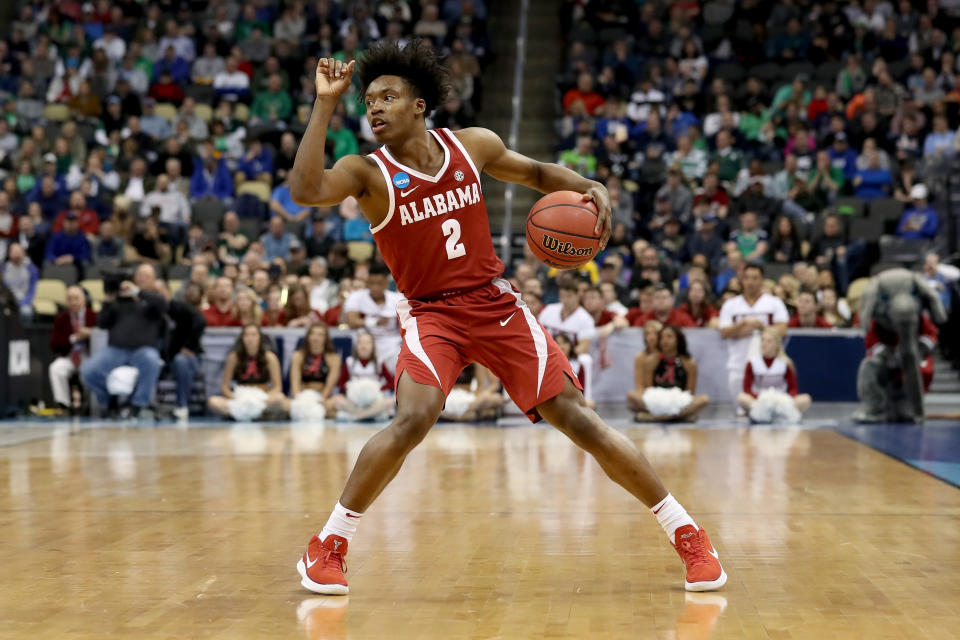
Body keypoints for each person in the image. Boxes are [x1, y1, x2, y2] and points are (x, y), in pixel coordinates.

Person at [287, 42, 725, 596]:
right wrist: (324, 104)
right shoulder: (365, 171)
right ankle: (328, 545)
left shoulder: (473, 145)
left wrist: (588, 186)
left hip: (494, 303)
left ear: (419, 106)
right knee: (413, 418)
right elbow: (305, 190)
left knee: (580, 419)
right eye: (368, 100)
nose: (374, 107)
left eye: (388, 96)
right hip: (431, 313)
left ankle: (687, 533)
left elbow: (540, 173)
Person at [80, 264, 168, 419]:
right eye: (139, 274)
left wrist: (138, 292)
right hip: (116, 349)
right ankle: (108, 400)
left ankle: (137, 405)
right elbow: (102, 323)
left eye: (146, 276)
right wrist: (109, 300)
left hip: (143, 349)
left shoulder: (154, 299)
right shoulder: (120, 299)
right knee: (88, 371)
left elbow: (162, 306)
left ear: (154, 280)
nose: (141, 278)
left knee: (152, 360)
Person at [718, 263, 789, 410]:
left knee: (766, 407)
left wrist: (760, 327)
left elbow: (782, 329)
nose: (750, 282)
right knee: (740, 409)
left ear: (762, 280)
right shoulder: (731, 305)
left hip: (766, 365)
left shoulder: (774, 302)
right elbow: (724, 332)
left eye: (755, 278)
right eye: (747, 278)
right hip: (738, 363)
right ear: (741, 280)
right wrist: (741, 325)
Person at [630, 325, 710, 423]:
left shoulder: (689, 363)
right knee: (632, 396)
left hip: (678, 399)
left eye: (669, 337)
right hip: (656, 399)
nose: (665, 340)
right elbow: (648, 389)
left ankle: (652, 418)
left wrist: (677, 400)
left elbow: (690, 392)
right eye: (662, 337)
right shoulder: (652, 360)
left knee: (704, 399)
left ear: (678, 340)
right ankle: (680, 417)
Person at [207, 324, 289, 419]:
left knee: (280, 399)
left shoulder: (270, 357)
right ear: (242, 338)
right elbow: (225, 386)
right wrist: (234, 397)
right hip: (241, 396)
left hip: (262, 396)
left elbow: (277, 387)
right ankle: (252, 414)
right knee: (213, 402)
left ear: (260, 338)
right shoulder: (234, 357)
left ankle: (248, 414)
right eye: (246, 335)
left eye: (253, 335)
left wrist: (263, 398)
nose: (250, 339)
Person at [737, 328, 812, 419]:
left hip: (781, 401)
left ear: (776, 344)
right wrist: (762, 398)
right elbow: (747, 389)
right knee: (741, 398)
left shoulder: (786, 363)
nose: (764, 344)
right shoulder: (752, 363)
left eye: (769, 341)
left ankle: (777, 414)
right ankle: (763, 413)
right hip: (759, 401)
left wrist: (781, 400)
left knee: (805, 399)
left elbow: (793, 389)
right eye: (763, 340)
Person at [48, 285, 98, 412]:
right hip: (69, 356)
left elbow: (103, 337)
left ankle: (88, 404)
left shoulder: (94, 316)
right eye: (69, 299)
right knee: (56, 368)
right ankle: (63, 404)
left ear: (84, 300)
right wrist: (74, 338)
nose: (73, 302)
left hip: (88, 356)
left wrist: (91, 334)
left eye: (76, 298)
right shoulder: (61, 318)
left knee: (88, 370)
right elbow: (54, 344)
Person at [328, 330, 396, 420]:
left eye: (367, 343)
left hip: (374, 400)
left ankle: (358, 416)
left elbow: (391, 382)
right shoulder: (350, 362)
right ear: (356, 346)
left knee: (393, 400)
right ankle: (369, 414)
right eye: (360, 343)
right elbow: (341, 383)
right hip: (355, 401)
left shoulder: (379, 362)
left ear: (373, 347)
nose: (364, 346)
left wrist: (378, 388)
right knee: (337, 400)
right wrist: (351, 389)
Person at [343, 263, 403, 366]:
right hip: (366, 342)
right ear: (367, 283)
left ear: (386, 283)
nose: (375, 287)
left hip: (392, 343)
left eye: (379, 283)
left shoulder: (397, 298)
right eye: (371, 283)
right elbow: (351, 321)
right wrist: (374, 322)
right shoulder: (356, 297)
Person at [166, 282, 206, 421]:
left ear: (202, 296)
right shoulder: (177, 310)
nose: (191, 293)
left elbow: (201, 322)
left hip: (193, 358)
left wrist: (189, 347)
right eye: (189, 290)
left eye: (195, 290)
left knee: (181, 361)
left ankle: (182, 406)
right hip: (169, 357)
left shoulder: (196, 313)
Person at [289, 323, 342, 417]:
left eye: (320, 335)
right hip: (303, 396)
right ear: (308, 337)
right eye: (312, 334)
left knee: (338, 402)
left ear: (325, 338)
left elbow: (330, 385)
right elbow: (295, 381)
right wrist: (298, 398)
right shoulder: (298, 356)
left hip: (323, 398)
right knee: (282, 403)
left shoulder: (333, 358)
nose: (315, 337)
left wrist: (321, 399)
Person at [538, 280, 598, 354]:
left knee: (585, 359)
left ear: (577, 295)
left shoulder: (586, 319)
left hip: (570, 359)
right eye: (562, 296)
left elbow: (583, 348)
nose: (565, 300)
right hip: (545, 354)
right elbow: (537, 334)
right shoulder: (549, 310)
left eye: (569, 296)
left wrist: (561, 356)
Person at [626, 320, 664, 412]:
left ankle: (651, 415)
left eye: (655, 333)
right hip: (648, 395)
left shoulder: (668, 354)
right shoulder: (640, 357)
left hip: (666, 393)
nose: (651, 337)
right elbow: (639, 386)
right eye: (647, 334)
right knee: (631, 396)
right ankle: (661, 414)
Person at [629, 283, 695, 328]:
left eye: (664, 297)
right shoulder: (643, 320)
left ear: (671, 300)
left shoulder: (683, 318)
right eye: (657, 297)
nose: (661, 301)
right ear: (652, 301)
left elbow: (695, 334)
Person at [2, 243, 39, 321]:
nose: (17, 255)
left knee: (26, 313)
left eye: (19, 252)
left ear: (24, 253)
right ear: (9, 254)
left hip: (23, 301)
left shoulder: (32, 269)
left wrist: (20, 303)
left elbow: (32, 291)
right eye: (14, 252)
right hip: (6, 301)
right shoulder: (3, 269)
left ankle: (25, 333)